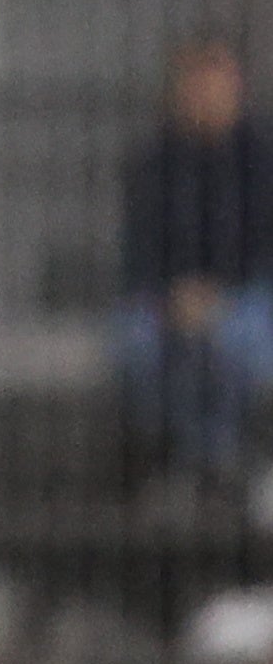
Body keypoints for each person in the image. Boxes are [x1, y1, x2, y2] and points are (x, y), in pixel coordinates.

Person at [117, 35, 272, 475]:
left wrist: (218, 294)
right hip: (166, 298)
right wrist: (174, 295)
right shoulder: (152, 159)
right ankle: (202, 461)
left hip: (247, 296)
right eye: (195, 78)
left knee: (233, 347)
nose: (205, 90)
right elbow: (140, 246)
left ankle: (205, 462)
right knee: (137, 350)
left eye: (216, 77)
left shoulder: (261, 158)